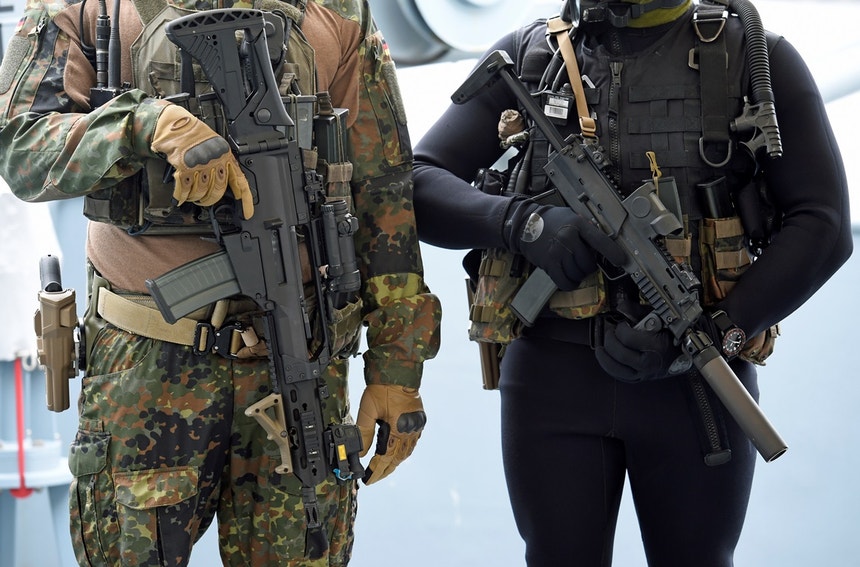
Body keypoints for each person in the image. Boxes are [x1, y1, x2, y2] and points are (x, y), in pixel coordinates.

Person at [0, 0, 441, 565]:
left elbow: (384, 189)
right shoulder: (87, 7)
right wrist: (145, 125)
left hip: (299, 357)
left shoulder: (338, 10)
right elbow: (21, 147)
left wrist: (397, 367)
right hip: (145, 365)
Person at [412, 0, 852, 565]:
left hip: (697, 382)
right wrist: (523, 224)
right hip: (552, 380)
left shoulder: (748, 54)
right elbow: (418, 181)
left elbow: (823, 223)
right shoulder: (533, 57)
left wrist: (717, 331)